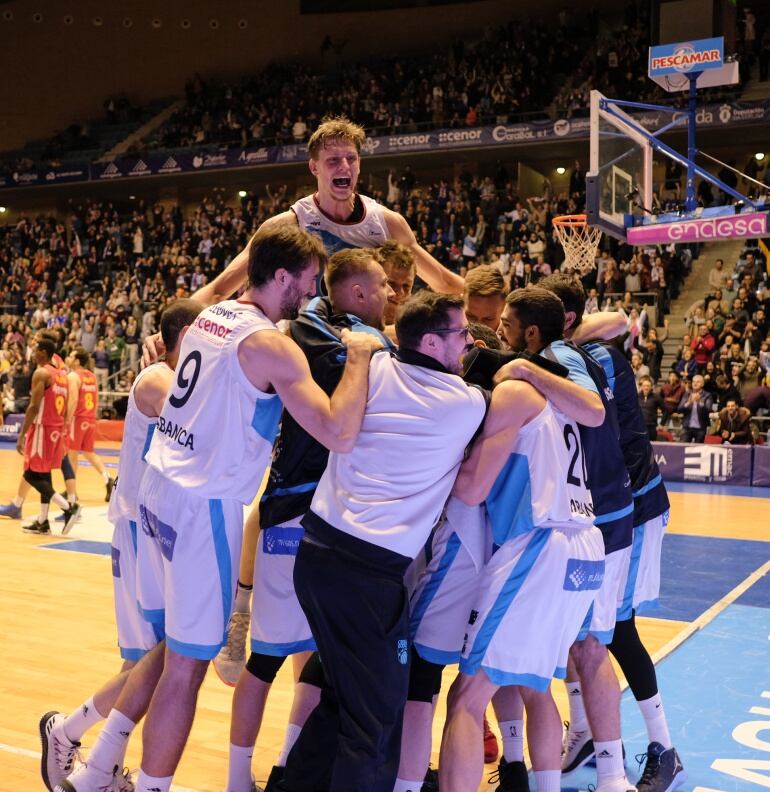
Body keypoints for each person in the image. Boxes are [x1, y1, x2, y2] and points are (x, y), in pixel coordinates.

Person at [60, 225, 379, 792]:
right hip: (203, 504)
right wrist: (359, 357)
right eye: (305, 285)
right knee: (186, 667)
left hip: (159, 490)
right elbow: (338, 432)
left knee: (170, 650)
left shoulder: (213, 316)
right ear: (281, 277)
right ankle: (150, 786)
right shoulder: (271, 345)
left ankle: (93, 770)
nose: (308, 297)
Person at [277, 291, 488, 792]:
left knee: (343, 699)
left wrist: (370, 345)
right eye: (460, 335)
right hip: (368, 575)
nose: (469, 343)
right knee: (375, 723)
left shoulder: (372, 369)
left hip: (316, 557)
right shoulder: (466, 402)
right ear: (433, 341)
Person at [223, 248, 395, 792]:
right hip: (293, 511)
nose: (394, 294)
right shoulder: (315, 327)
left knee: (318, 659)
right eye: (386, 285)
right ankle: (235, 779)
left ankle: (287, 771)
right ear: (356, 293)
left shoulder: (345, 328)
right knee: (267, 661)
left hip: (329, 518)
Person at [438, 288, 605, 792]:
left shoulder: (514, 392)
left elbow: (470, 490)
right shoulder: (557, 390)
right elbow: (595, 411)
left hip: (541, 545)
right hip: (584, 545)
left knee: (467, 695)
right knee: (534, 686)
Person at [42, 300, 203, 792]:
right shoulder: (157, 377)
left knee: (150, 662)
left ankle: (87, 751)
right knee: (159, 660)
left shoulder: (175, 373)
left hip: (152, 527)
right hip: (138, 529)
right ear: (182, 339)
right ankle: (71, 736)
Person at [545, 276, 687, 792]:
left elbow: (620, 321)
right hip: (599, 511)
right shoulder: (574, 353)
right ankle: (583, 731)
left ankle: (664, 748)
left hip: (636, 507)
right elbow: (615, 320)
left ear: (560, 324)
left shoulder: (587, 359)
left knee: (616, 631)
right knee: (574, 627)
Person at [15, 337, 79, 535]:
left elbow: (34, 407)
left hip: (42, 429)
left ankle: (69, 507)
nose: (33, 354)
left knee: (30, 473)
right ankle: (43, 521)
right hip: (56, 429)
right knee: (44, 473)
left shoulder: (41, 373)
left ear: (43, 352)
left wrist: (22, 434)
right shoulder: (61, 375)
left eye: (35, 351)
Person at [65, 347, 115, 504]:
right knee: (88, 452)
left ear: (77, 361)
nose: (68, 358)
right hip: (91, 418)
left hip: (78, 418)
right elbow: (96, 398)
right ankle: (108, 479)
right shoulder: (92, 376)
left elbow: (72, 400)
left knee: (72, 454)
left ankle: (71, 491)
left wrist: (67, 420)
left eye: (71, 356)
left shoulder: (73, 376)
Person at [677, 375, 713, 443]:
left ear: (702, 384)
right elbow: (679, 409)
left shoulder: (707, 395)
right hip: (687, 427)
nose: (695, 383)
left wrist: (700, 402)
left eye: (698, 382)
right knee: (682, 447)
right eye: (693, 381)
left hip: (701, 428)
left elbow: (708, 410)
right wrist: (688, 402)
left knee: (698, 449)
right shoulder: (687, 394)